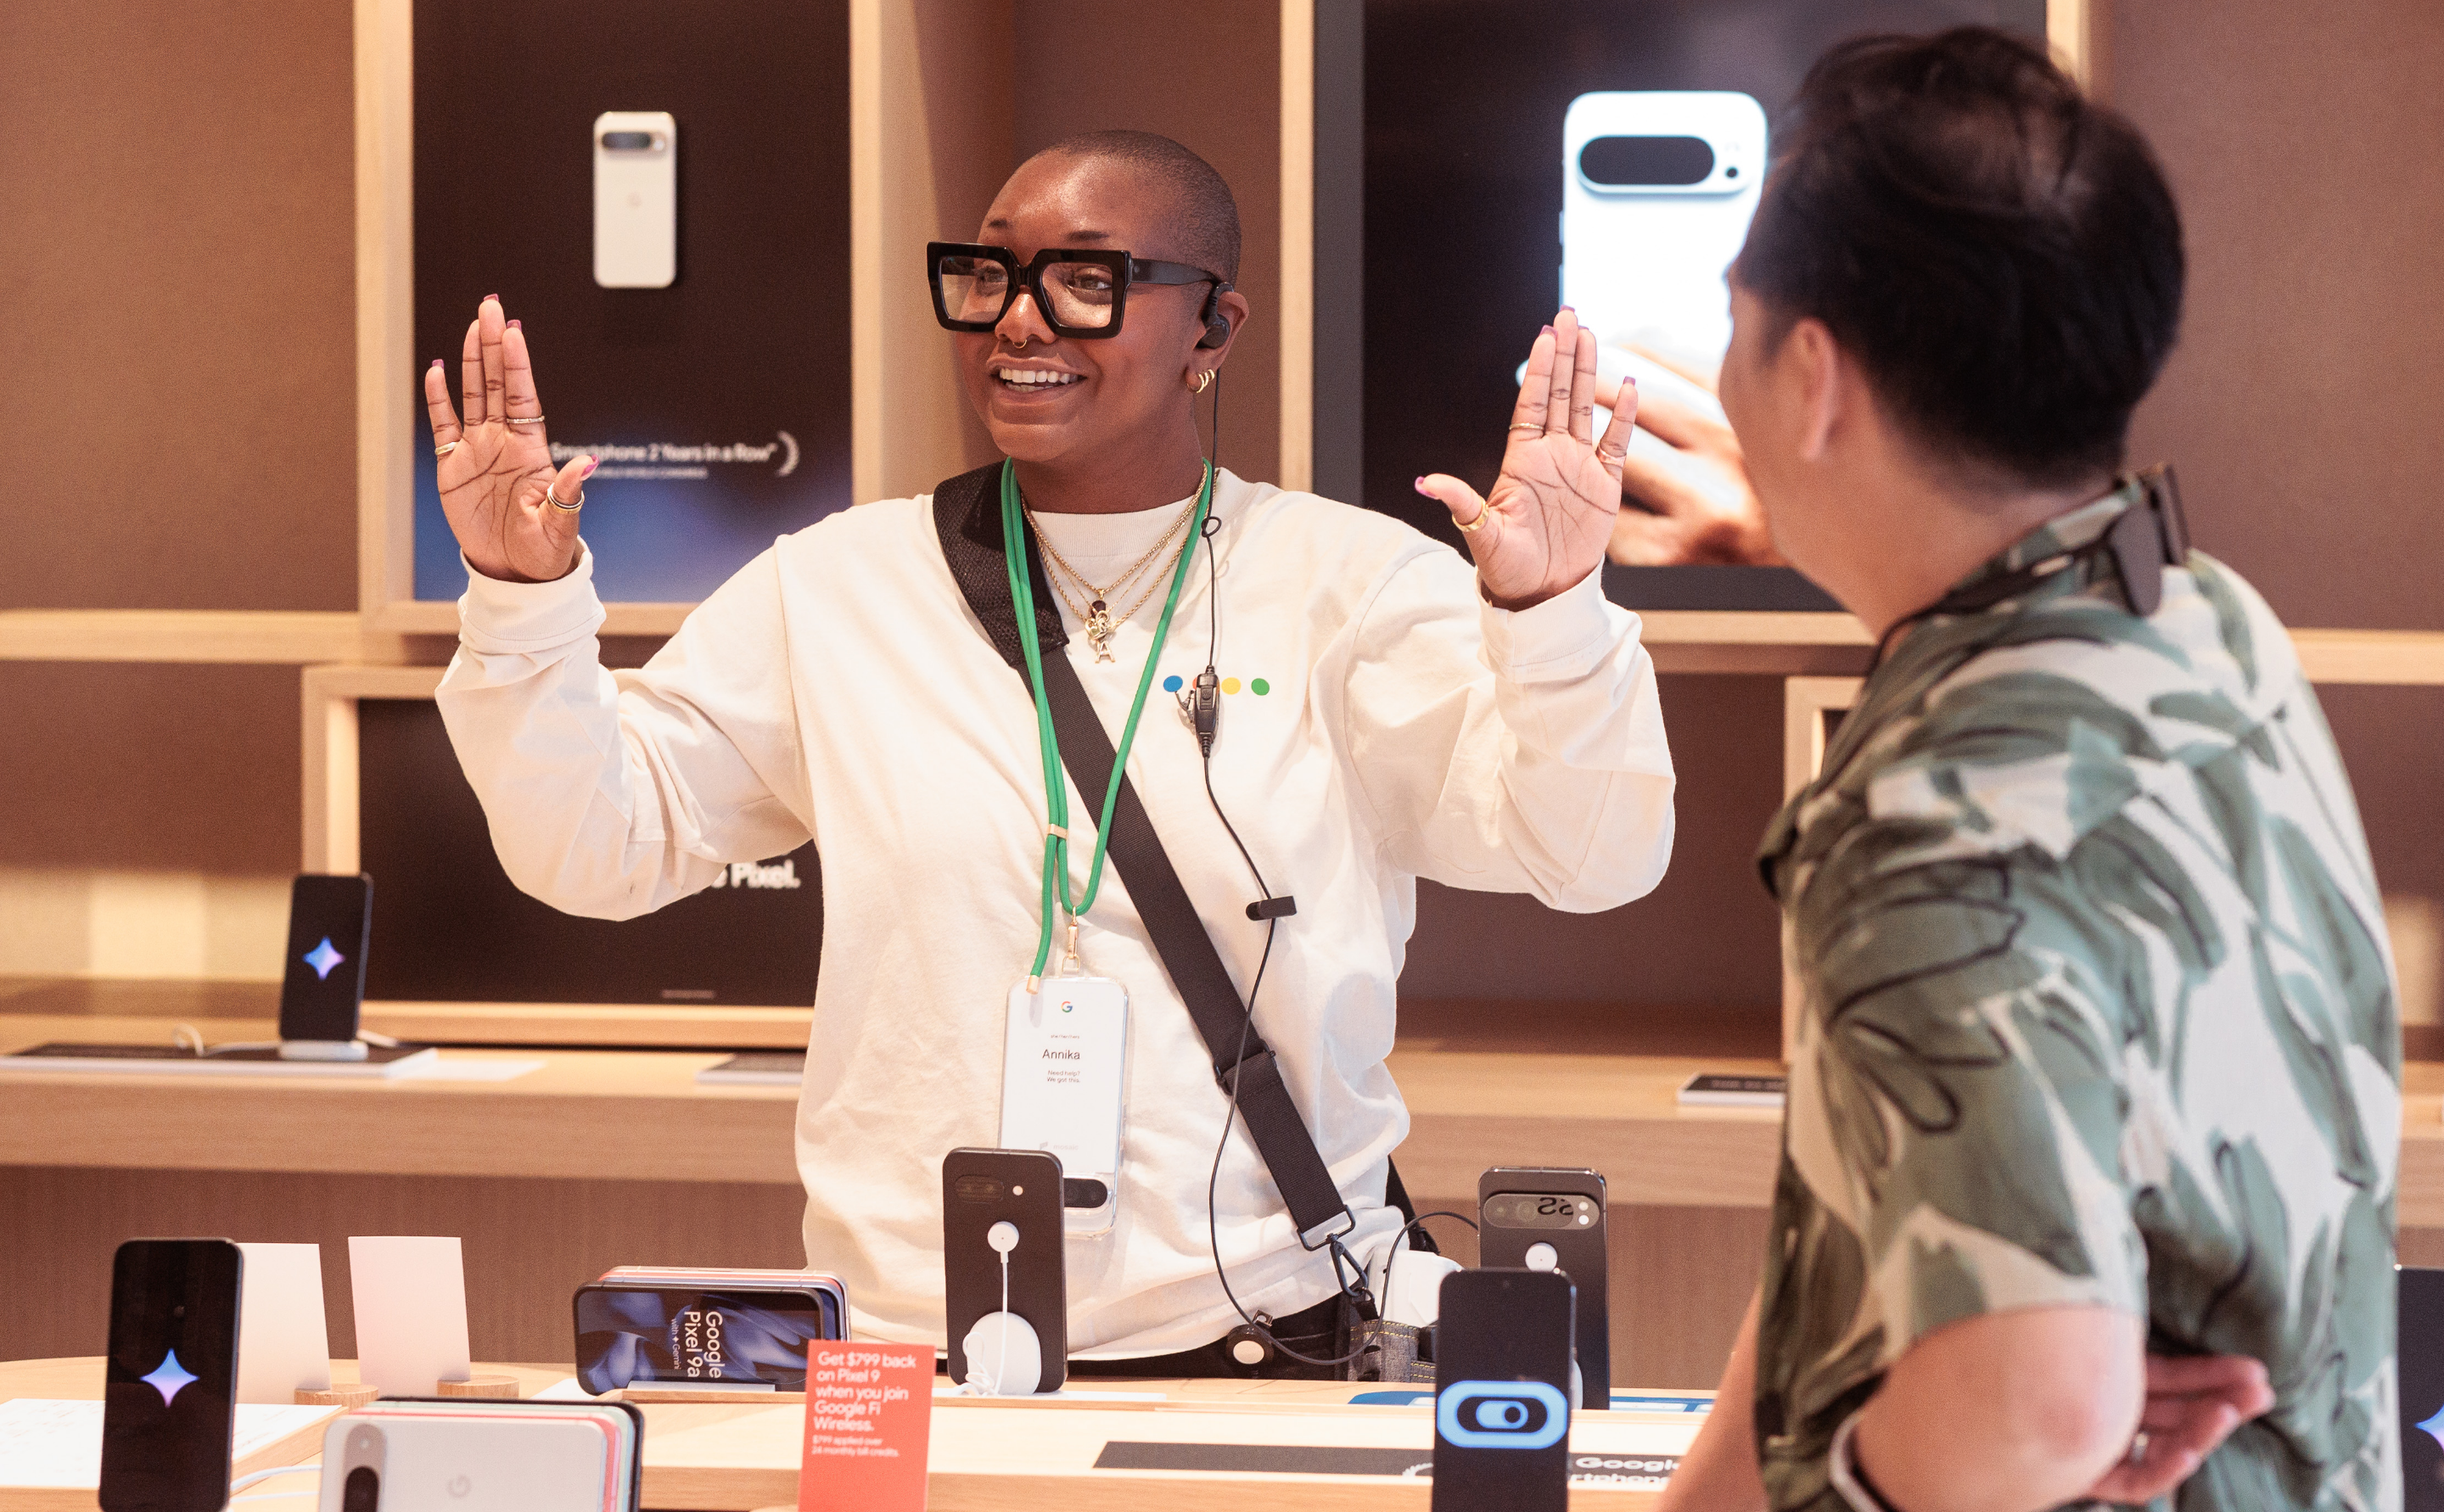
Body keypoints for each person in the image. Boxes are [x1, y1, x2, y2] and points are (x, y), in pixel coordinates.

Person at [423, 131, 1675, 1369]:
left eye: (1087, 279)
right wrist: (520, 595)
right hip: (916, 1351)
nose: (1019, 320)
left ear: (1213, 331)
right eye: (990, 273)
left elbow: (1592, 853)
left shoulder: (1347, 584)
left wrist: (1555, 612)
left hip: (1261, 1336)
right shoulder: (837, 587)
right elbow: (594, 847)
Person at [1649, 30, 2397, 1512]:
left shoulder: (1930, 832)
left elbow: (2042, 1404)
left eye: (1735, 321)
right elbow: (1879, 1230)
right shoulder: (2189, 608)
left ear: (1812, 378)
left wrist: (1908, 1453)